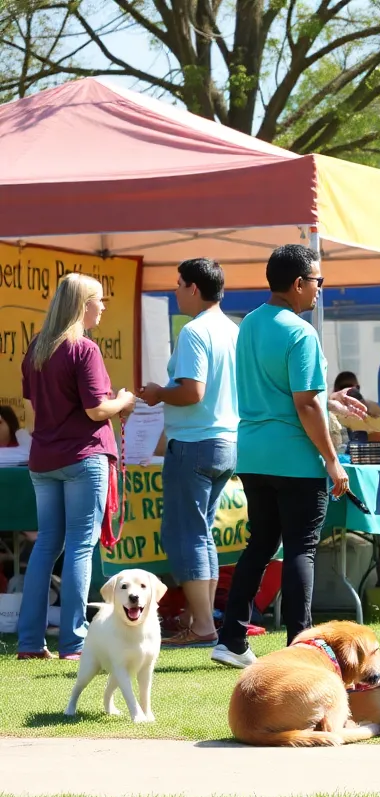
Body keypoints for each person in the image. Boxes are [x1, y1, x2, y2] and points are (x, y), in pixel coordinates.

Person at [211, 244, 356, 669]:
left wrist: (327, 400)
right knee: (300, 550)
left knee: (259, 546)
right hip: (294, 455)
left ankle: (231, 639)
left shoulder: (249, 324)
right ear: (298, 283)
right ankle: (302, 646)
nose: (319, 290)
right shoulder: (300, 331)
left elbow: (287, 393)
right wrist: (332, 459)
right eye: (317, 281)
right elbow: (304, 404)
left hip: (254, 454)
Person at [17, 273, 136, 660]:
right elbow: (95, 409)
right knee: (80, 548)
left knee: (46, 547)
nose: (103, 306)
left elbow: (36, 409)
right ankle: (73, 642)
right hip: (83, 457)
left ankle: (31, 642)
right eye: (99, 300)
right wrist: (123, 401)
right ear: (84, 304)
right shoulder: (83, 350)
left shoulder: (38, 347)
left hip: (44, 460)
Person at [137, 258, 239, 648]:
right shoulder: (232, 329)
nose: (175, 291)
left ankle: (202, 626)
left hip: (196, 443)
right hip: (225, 442)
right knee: (201, 534)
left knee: (185, 536)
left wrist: (158, 393)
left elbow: (192, 391)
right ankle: (203, 619)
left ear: (193, 288)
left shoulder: (195, 332)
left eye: (179, 284)